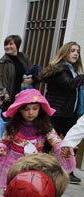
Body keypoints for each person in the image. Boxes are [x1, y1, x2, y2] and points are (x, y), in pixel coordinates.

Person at [0, 89, 74, 197]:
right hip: (13, 166)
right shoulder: (13, 126)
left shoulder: (45, 126)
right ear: (19, 109)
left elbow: (56, 142)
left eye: (35, 108)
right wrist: (1, 149)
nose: (31, 113)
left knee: (32, 192)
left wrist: (64, 149)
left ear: (40, 108)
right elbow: (4, 141)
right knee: (10, 191)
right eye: (26, 109)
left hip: (34, 166)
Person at [40, 41, 84, 184]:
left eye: (77, 51)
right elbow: (69, 85)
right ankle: (41, 167)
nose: (76, 53)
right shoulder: (59, 70)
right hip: (56, 113)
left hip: (70, 113)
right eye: (72, 50)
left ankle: (69, 170)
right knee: (48, 142)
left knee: (72, 142)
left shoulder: (73, 71)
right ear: (65, 53)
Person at [0, 35, 31, 110]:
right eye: (6, 44)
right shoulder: (2, 62)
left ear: (17, 45)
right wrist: (3, 93)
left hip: (23, 96)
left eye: (11, 44)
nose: (8, 46)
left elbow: (30, 73)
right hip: (8, 97)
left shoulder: (24, 60)